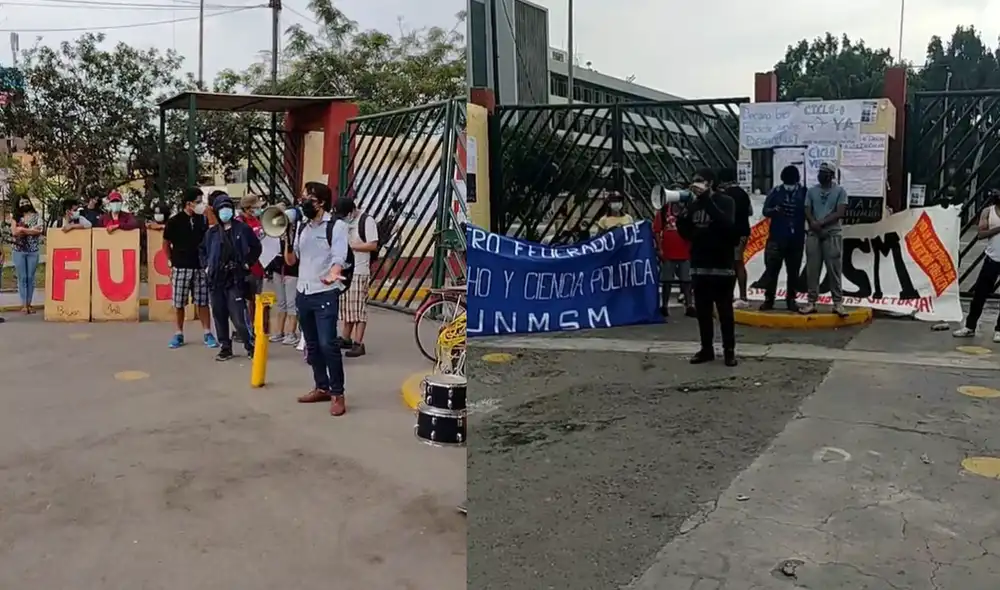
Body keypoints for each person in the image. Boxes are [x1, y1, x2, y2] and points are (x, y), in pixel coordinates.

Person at [284, 182, 351, 416]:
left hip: (324, 293)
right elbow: (292, 261)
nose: (303, 203)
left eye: (308, 199)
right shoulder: (302, 227)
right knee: (311, 346)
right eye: (302, 198)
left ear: (321, 202)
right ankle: (321, 386)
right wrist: (285, 235)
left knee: (327, 344)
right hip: (303, 292)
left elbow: (339, 256)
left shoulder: (337, 227)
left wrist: (333, 274)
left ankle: (337, 393)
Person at [676, 168, 738, 367]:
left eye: (699, 181)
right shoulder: (692, 205)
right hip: (700, 265)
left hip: (722, 265)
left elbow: (727, 225)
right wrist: (681, 215)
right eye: (693, 180)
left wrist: (706, 201)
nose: (695, 184)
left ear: (710, 183)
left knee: (725, 312)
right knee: (703, 312)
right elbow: (685, 232)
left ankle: (729, 351)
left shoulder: (726, 201)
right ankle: (706, 349)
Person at [163, 188, 216, 349]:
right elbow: (166, 243)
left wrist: (208, 213)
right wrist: (170, 261)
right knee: (179, 302)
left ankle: (207, 332)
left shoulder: (203, 220)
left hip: (200, 266)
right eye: (198, 201)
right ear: (188, 204)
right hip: (181, 266)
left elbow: (214, 229)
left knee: (203, 301)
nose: (201, 205)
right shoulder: (174, 221)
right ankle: (178, 333)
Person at [800, 162, 848, 317]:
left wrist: (820, 223)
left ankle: (838, 303)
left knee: (834, 269)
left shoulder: (840, 191)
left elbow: (840, 212)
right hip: (814, 234)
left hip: (832, 234)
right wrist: (813, 223)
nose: (821, 175)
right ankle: (811, 302)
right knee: (812, 269)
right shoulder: (811, 191)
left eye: (825, 173)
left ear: (831, 175)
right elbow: (807, 209)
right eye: (820, 172)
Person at [759, 165, 807, 311]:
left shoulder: (804, 192)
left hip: (796, 237)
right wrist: (775, 210)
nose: (790, 186)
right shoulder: (776, 192)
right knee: (772, 270)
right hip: (777, 237)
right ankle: (769, 299)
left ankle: (791, 299)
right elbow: (765, 210)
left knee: (793, 271)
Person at [954, 189, 1000, 342]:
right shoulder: (988, 212)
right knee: (979, 295)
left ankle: (999, 330)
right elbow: (980, 234)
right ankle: (970, 327)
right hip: (991, 259)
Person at [336, 196, 379, 357]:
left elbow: (373, 245)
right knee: (348, 307)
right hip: (346, 270)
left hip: (360, 270)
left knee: (358, 309)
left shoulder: (366, 221)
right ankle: (345, 337)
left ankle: (358, 343)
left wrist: (351, 247)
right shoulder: (344, 222)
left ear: (353, 210)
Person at [653, 195, 695, 318]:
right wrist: (659, 248)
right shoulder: (664, 211)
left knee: (686, 280)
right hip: (668, 252)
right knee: (666, 281)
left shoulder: (689, 211)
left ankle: (689, 306)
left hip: (685, 251)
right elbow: (656, 230)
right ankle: (664, 306)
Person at [718, 169, 753, 309]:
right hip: (744, 231)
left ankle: (739, 296)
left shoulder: (725, 195)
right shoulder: (743, 194)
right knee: (737, 262)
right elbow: (750, 211)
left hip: (732, 233)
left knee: (735, 263)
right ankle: (739, 295)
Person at [265, 219, 300, 346]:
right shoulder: (275, 233)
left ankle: (291, 333)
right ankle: (279, 332)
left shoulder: (296, 233)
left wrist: (288, 240)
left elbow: (293, 255)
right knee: (281, 302)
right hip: (278, 269)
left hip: (291, 272)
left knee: (291, 302)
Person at [10, 198, 45, 314]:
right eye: (21, 203)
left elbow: (39, 231)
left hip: (33, 250)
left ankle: (29, 304)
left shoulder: (36, 216)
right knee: (22, 278)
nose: (24, 204)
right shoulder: (15, 217)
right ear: (18, 205)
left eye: (26, 202)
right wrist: (30, 230)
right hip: (18, 250)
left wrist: (22, 230)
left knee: (30, 277)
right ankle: (24, 304)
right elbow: (14, 232)